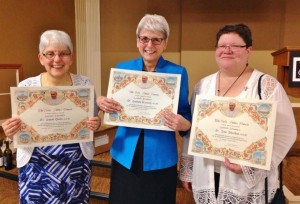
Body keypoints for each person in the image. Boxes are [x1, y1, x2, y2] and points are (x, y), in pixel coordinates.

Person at [179, 24, 297, 203]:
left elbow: (286, 133)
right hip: (208, 175)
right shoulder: (202, 86)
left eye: (235, 46)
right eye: (221, 46)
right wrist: (187, 170)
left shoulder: (267, 86)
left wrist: (250, 167)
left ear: (249, 50)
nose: (227, 50)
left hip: (246, 182)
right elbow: (193, 130)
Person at [97, 14, 191, 204]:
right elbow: (114, 108)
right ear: (137, 41)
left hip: (160, 156)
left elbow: (185, 115)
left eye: (156, 40)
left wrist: (184, 124)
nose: (150, 45)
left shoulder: (177, 73)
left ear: (165, 43)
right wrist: (103, 103)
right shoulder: (123, 69)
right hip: (125, 153)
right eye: (145, 38)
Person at [2, 30, 101, 203]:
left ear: (71, 57)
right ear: (41, 57)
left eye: (63, 53)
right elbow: (18, 130)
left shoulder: (85, 84)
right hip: (37, 167)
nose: (57, 59)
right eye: (50, 54)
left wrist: (96, 124)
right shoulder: (26, 87)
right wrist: (11, 131)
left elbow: (93, 123)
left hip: (75, 166)